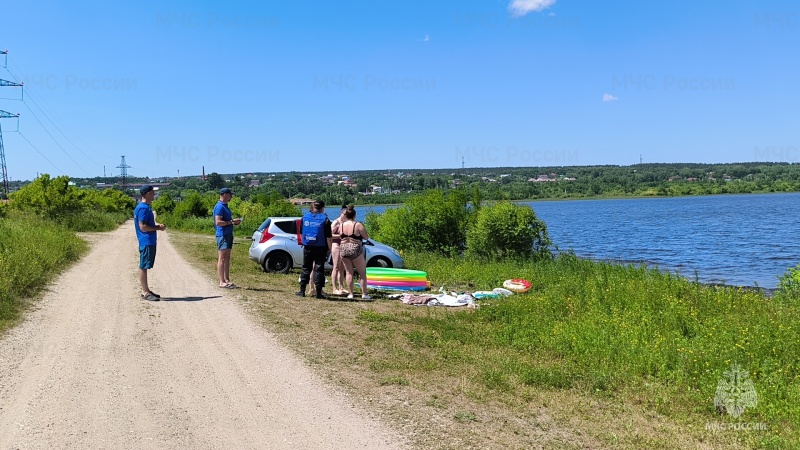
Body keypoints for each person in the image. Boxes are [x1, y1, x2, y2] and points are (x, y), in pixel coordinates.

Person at [134, 185, 167, 301]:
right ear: (147, 193)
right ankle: (145, 292)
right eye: (152, 192)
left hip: (148, 241)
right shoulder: (143, 208)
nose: (154, 194)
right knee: (143, 266)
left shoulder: (144, 207)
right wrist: (158, 227)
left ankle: (146, 289)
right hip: (146, 240)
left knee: (145, 265)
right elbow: (142, 227)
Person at [297, 200, 332, 299]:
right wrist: (330, 249)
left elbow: (301, 232)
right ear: (322, 208)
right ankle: (319, 293)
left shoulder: (305, 217)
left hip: (308, 246)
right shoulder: (325, 219)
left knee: (306, 268)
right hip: (321, 247)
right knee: (319, 269)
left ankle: (302, 290)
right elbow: (329, 237)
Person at [338, 205, 371, 299]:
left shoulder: (341, 225)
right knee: (362, 273)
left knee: (348, 272)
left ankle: (351, 294)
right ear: (354, 215)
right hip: (355, 248)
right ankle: (364, 293)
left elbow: (341, 237)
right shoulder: (358, 225)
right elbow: (366, 237)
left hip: (343, 249)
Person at [214, 187, 242, 288]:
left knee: (227, 258)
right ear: (225, 194)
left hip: (228, 233)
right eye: (230, 195)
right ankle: (221, 282)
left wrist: (233, 222)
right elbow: (218, 222)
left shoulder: (225, 206)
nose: (231, 197)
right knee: (222, 258)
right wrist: (231, 222)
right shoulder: (219, 207)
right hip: (222, 234)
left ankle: (227, 279)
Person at [329, 205, 348, 295]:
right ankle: (334, 288)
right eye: (345, 214)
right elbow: (330, 235)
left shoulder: (346, 222)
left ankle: (341, 287)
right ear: (341, 213)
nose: (346, 215)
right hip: (336, 245)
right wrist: (341, 236)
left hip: (344, 245)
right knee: (336, 267)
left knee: (342, 267)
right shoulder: (336, 222)